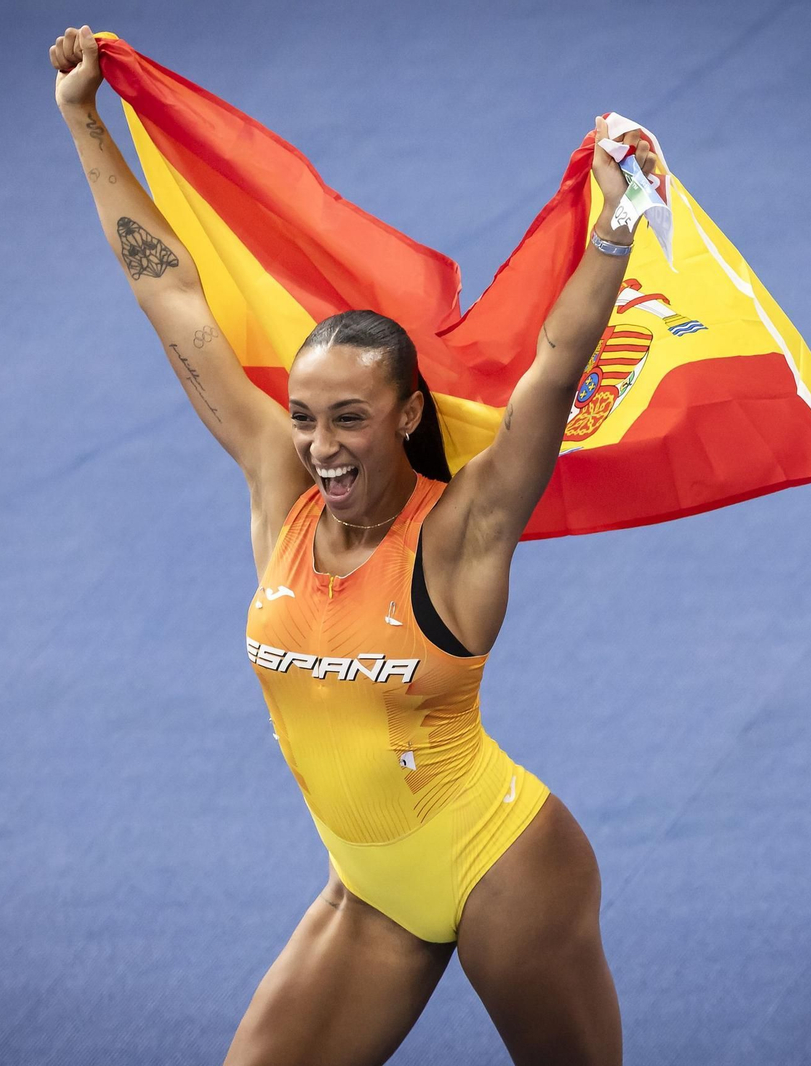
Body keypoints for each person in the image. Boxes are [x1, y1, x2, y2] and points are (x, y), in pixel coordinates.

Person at [51, 25, 656, 1066]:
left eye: (348, 419)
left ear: (408, 415)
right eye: (304, 417)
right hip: (369, 890)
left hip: (503, 869)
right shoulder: (277, 488)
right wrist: (84, 121)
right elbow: (171, 295)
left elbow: (554, 368)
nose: (319, 446)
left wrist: (615, 224)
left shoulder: (461, 532)